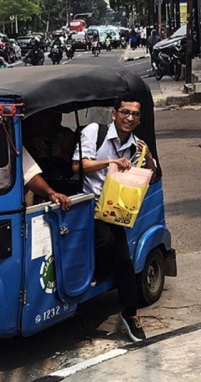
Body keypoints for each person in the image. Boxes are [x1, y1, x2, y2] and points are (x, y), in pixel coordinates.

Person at [71, 93, 156, 343]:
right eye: (125, 112)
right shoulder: (94, 133)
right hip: (88, 207)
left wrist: (148, 156)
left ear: (139, 119)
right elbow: (78, 166)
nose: (129, 118)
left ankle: (130, 315)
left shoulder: (136, 144)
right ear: (114, 114)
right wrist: (111, 162)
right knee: (105, 243)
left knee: (124, 260)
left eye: (135, 114)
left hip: (115, 210)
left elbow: (150, 174)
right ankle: (93, 273)